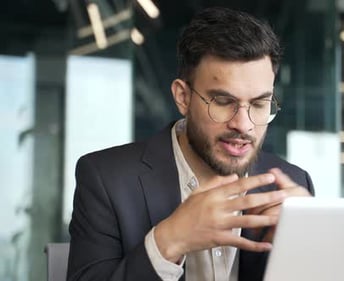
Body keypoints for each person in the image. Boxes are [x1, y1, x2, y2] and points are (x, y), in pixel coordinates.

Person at [67, 6, 314, 281]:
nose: (243, 125)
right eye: (222, 102)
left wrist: (313, 244)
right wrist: (169, 240)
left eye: (259, 104)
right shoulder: (107, 179)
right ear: (183, 97)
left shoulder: (294, 183)